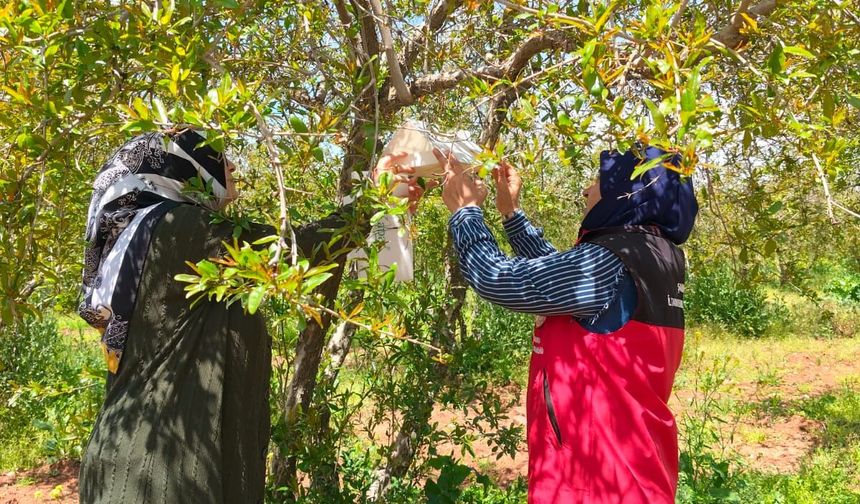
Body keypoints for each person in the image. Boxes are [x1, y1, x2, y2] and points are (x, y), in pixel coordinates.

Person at [77, 129, 422, 503]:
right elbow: (293, 252)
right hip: (158, 474)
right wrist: (374, 198)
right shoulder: (177, 229)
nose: (231, 165)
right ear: (186, 166)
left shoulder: (148, 234)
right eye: (219, 158)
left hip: (137, 463)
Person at [436, 146, 698, 503]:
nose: (587, 191)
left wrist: (466, 212)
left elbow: (499, 280)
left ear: (629, 192)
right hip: (635, 473)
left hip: (596, 483)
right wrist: (511, 214)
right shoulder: (652, 254)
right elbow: (562, 279)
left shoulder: (611, 259)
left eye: (599, 181)